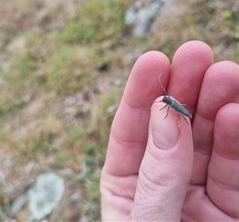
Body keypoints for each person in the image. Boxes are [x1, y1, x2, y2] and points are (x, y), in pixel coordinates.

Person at [100, 40, 239, 221]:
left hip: (182, 110)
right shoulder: (169, 103)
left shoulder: (170, 103)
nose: (166, 101)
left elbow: (172, 108)